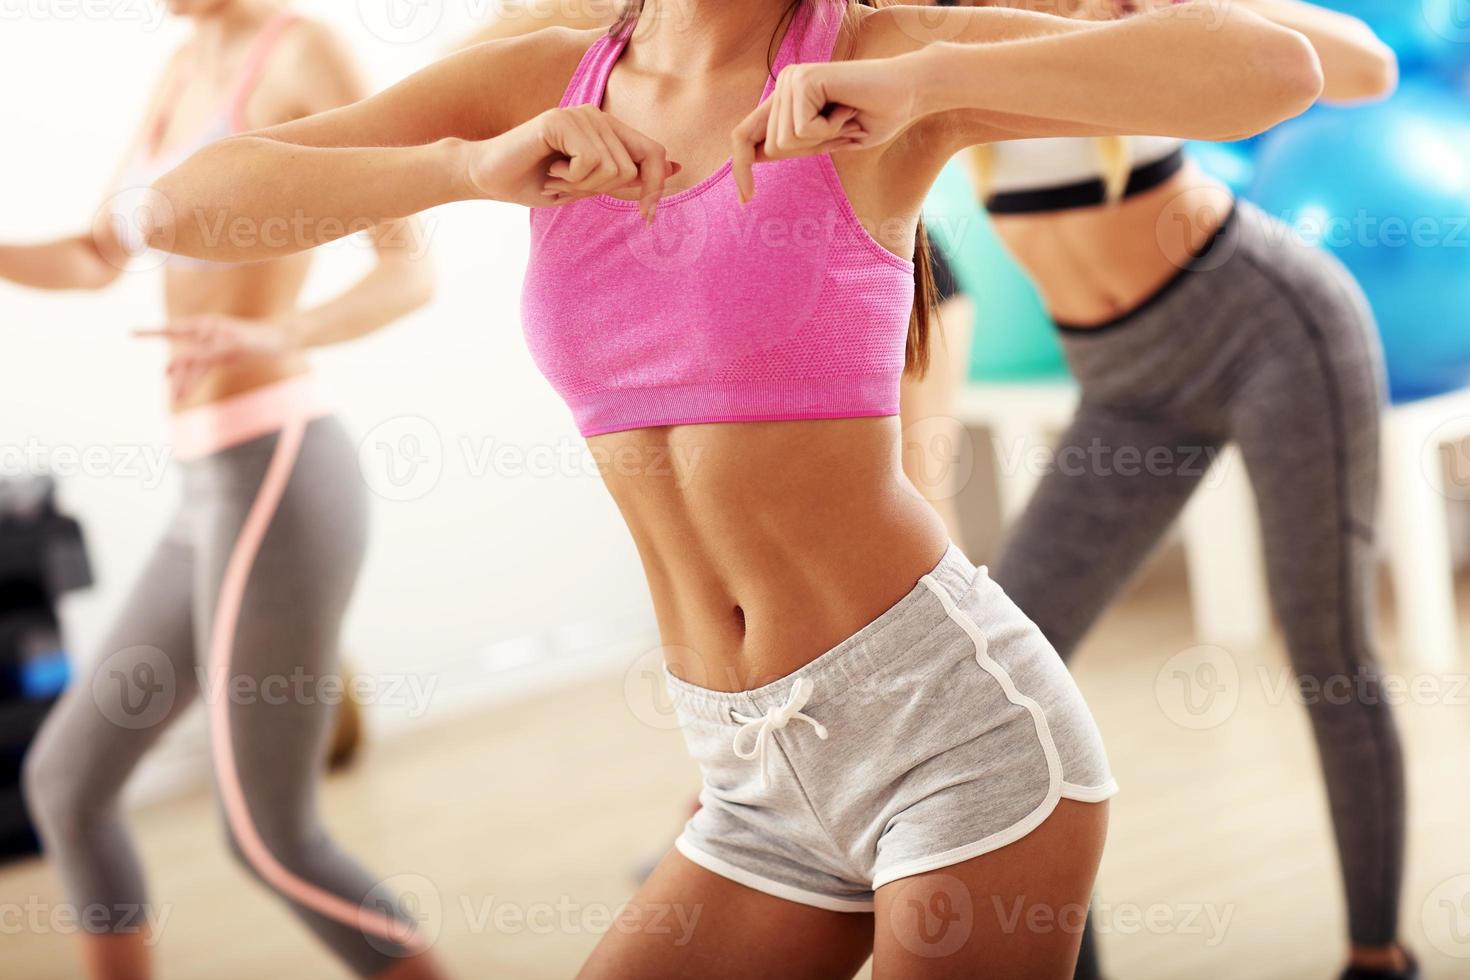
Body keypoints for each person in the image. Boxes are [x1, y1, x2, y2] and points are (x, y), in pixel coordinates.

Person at [147, 0, 1322, 974]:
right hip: (750, 779)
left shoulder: (874, 58)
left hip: (951, 736)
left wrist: (935, 80)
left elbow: (1276, 72)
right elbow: (185, 210)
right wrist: (462, 167)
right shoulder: (544, 81)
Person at [903, 2, 1413, 978]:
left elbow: (1369, 70)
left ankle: (1379, 955)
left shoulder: (1136, 21)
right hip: (1125, 385)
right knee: (1012, 678)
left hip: (1268, 328)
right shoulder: (956, 38)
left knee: (1326, 643)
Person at [5, 2, 444, 977]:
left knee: (270, 837)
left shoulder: (302, 52)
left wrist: (287, 332)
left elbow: (409, 267)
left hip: (279, 468)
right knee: (68, 779)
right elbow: (94, 253)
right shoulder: (183, 64)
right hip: (203, 485)